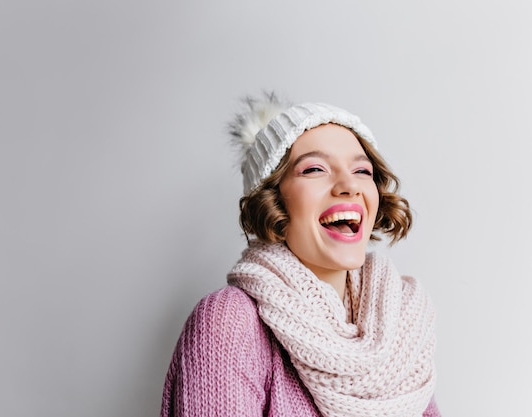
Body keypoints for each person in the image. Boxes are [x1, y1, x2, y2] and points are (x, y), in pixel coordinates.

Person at [160, 92, 441, 417]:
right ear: (272, 200)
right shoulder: (228, 322)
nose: (348, 185)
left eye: (363, 171)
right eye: (314, 169)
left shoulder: (402, 327)